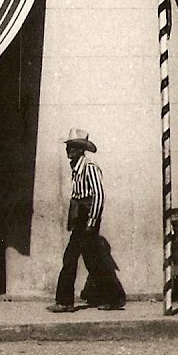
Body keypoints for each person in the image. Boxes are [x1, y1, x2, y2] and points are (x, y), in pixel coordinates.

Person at [49, 129, 124, 312]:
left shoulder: (89, 167)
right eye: (68, 146)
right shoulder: (76, 168)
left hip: (87, 218)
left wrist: (92, 220)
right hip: (80, 218)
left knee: (71, 258)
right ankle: (113, 297)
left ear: (81, 149)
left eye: (72, 147)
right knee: (92, 260)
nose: (68, 150)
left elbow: (98, 195)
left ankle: (65, 301)